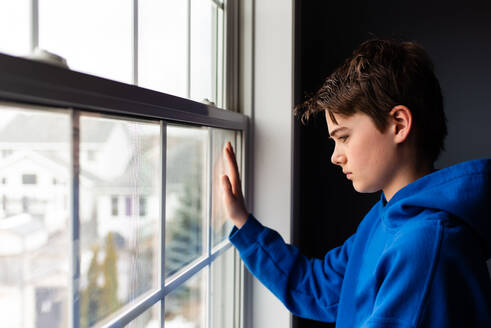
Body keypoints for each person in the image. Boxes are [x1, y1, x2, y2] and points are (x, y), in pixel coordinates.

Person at [220, 38, 491, 327]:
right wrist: (243, 223)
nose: (335, 157)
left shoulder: (423, 246)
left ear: (398, 124)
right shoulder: (385, 216)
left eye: (344, 137)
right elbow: (318, 290)